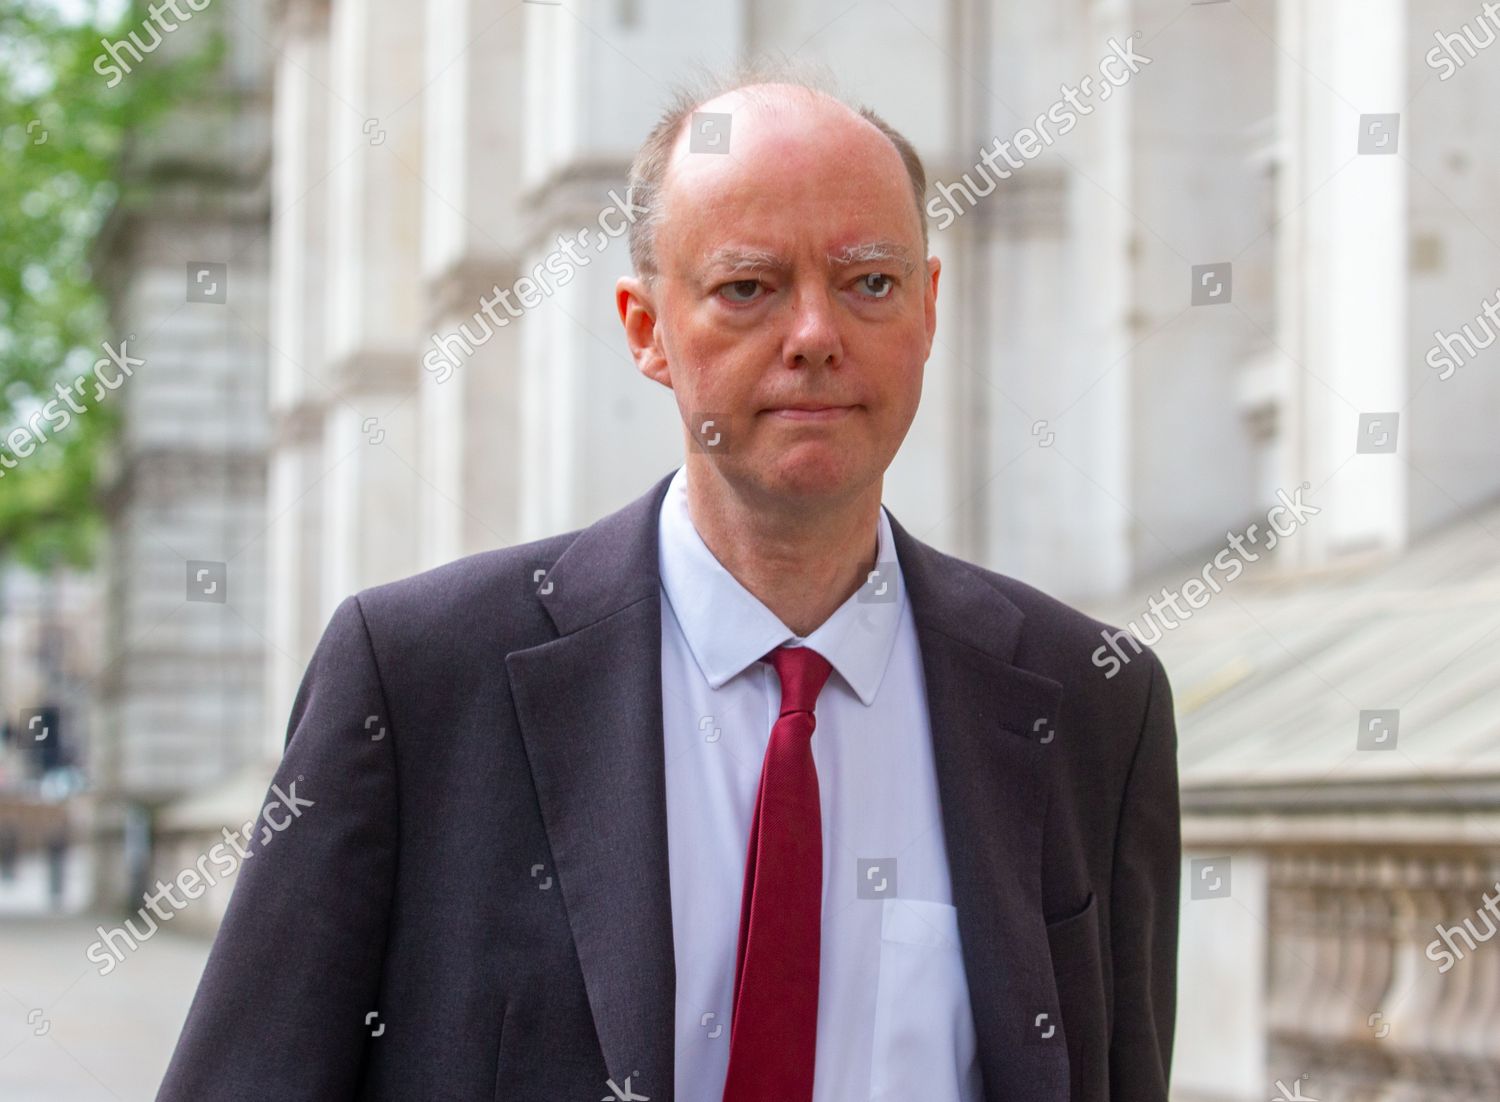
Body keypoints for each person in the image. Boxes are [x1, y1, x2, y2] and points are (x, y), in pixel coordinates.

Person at [158, 60, 1179, 1102]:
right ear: (646, 328)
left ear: (927, 309)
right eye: (749, 287)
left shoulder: (1095, 703)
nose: (817, 336)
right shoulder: (418, 681)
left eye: (869, 281)